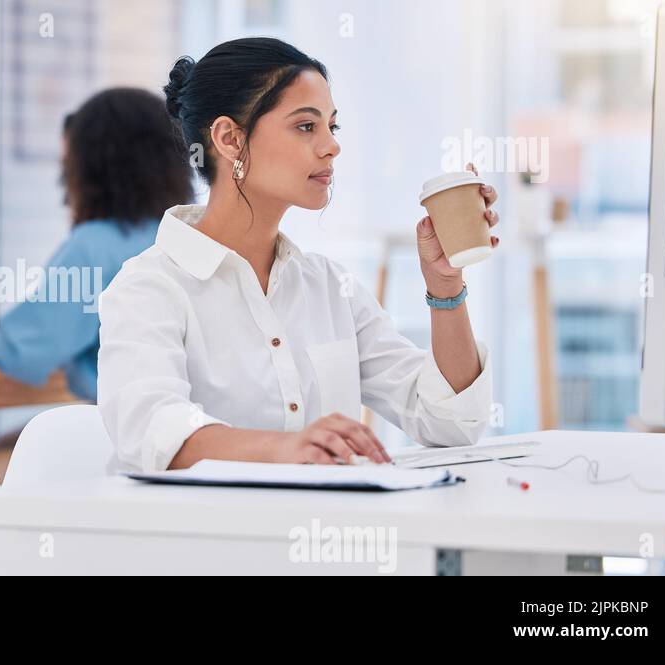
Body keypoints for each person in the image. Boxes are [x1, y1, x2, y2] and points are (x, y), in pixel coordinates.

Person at [98, 38, 499, 474]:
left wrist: (445, 286)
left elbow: (450, 422)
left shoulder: (329, 288)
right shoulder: (149, 287)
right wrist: (287, 448)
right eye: (306, 126)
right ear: (230, 139)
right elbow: (153, 433)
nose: (332, 146)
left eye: (333, 126)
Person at [0, 88, 193, 489]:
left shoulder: (93, 245)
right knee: (6, 444)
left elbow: (26, 351)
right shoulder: (185, 234)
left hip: (127, 440)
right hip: (187, 432)